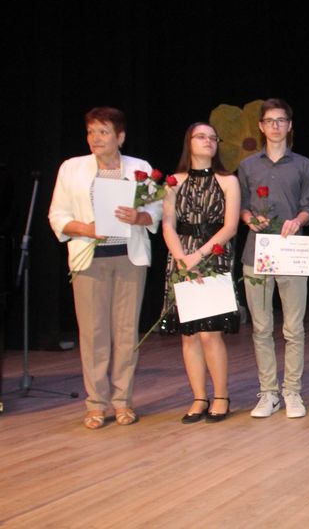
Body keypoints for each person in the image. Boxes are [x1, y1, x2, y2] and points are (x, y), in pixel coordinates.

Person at [48, 107, 162, 429]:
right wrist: (87, 228)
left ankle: (123, 401)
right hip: (89, 259)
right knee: (93, 333)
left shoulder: (139, 168)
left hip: (129, 258)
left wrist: (138, 217)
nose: (95, 138)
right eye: (91, 132)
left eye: (103, 132)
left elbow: (156, 211)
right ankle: (96, 404)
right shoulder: (72, 168)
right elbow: (57, 215)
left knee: (126, 333)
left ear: (120, 137)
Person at [237, 99, 309, 419]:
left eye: (281, 120)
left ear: (289, 125)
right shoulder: (247, 166)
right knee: (261, 327)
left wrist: (298, 220)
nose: (275, 126)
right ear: (261, 126)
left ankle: (292, 391)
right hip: (255, 253)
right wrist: (248, 218)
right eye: (269, 121)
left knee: (293, 328)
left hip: (291, 251)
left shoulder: (304, 165)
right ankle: (269, 392)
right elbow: (242, 205)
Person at [160, 122, 241, 424]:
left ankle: (221, 396)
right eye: (201, 137)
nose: (208, 141)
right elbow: (168, 224)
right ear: (189, 142)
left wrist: (198, 255)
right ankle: (198, 397)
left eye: (212, 137)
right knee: (190, 335)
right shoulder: (174, 181)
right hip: (181, 259)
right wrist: (182, 258)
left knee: (210, 334)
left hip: (213, 257)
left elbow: (230, 227)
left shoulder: (228, 180)